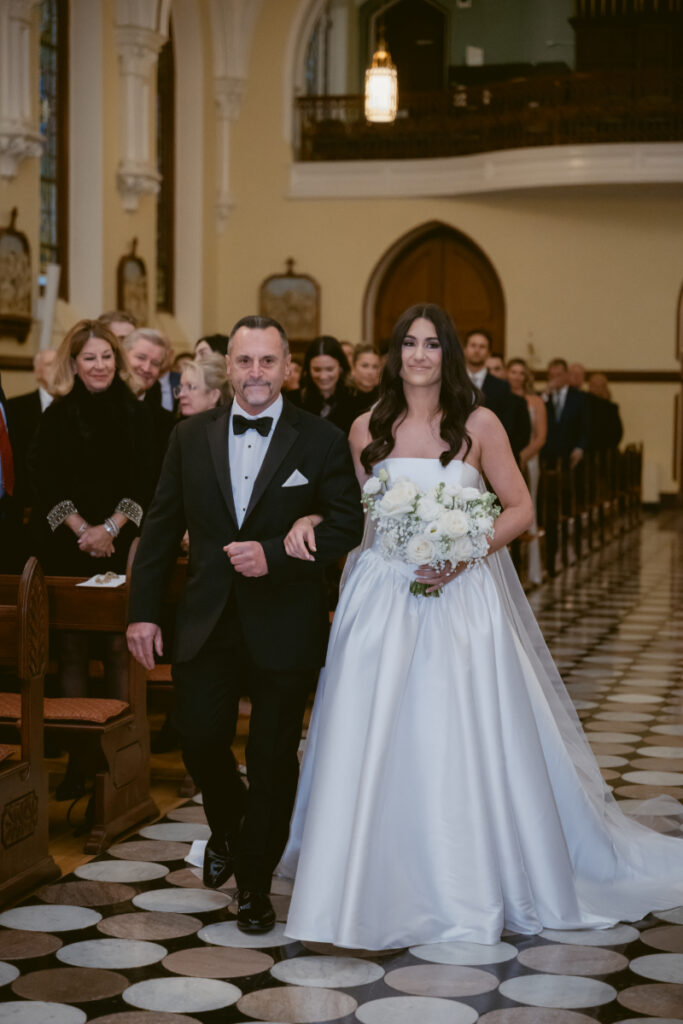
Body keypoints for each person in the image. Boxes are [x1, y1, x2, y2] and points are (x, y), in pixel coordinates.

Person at [278, 302, 683, 950]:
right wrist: (305, 523)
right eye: (407, 343)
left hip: (460, 598)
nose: (417, 355)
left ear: (448, 355)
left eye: (430, 344)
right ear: (392, 353)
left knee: (453, 732)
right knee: (371, 731)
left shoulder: (480, 423)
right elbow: (355, 517)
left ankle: (465, 881)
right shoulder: (364, 428)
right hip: (381, 596)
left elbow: (520, 508)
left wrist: (462, 549)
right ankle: (361, 877)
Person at [126, 314, 363, 935]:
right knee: (201, 741)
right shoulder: (188, 437)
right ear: (226, 366)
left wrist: (279, 554)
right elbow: (157, 528)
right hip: (207, 620)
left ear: (288, 368)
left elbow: (348, 524)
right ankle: (228, 828)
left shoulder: (321, 439)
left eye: (267, 361)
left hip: (285, 621)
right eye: (244, 361)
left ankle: (254, 885)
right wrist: (143, 611)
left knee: (272, 758)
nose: (255, 373)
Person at [30, 319, 157, 798]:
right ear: (75, 364)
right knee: (71, 652)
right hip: (68, 547)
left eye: (107, 356)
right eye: (90, 358)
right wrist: (83, 529)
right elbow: (43, 481)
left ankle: (120, 762)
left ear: (117, 362)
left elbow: (149, 482)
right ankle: (80, 762)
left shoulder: (137, 415)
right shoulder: (57, 416)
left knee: (119, 649)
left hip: (123, 547)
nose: (100, 365)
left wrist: (111, 528)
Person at [507, 357, 547, 586]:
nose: (516, 376)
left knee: (526, 506)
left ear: (526, 377)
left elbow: (540, 437)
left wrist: (520, 457)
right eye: (512, 371)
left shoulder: (535, 402)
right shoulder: (502, 400)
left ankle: (532, 571)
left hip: (527, 460)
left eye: (521, 373)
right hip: (505, 459)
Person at [463, 329, 531, 463]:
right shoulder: (452, 382)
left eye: (482, 347)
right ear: (465, 349)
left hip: (491, 455)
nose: (477, 350)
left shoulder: (501, 386)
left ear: (488, 353)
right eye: (473, 345)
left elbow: (506, 424)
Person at [7, 348, 57, 512]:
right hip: (21, 506)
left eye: (61, 364)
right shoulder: (14, 408)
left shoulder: (77, 409)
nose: (57, 369)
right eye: (50, 364)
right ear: (38, 371)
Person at [289, 336, 359, 435]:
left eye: (329, 369)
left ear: (341, 368)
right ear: (308, 370)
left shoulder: (356, 402)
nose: (323, 376)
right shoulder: (293, 402)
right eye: (317, 370)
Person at [121, 327, 176, 443]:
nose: (146, 368)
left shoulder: (165, 423)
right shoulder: (101, 403)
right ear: (123, 357)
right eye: (141, 358)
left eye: (155, 363)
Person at [588, 372, 623, 451]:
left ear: (605, 388)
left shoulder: (611, 408)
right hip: (587, 451)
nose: (596, 388)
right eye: (594, 385)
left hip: (606, 451)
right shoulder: (583, 405)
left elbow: (617, 434)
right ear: (589, 387)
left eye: (600, 386)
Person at [350, 344, 381, 413]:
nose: (370, 372)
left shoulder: (384, 398)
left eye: (375, 367)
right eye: (365, 366)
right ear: (353, 367)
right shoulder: (344, 395)